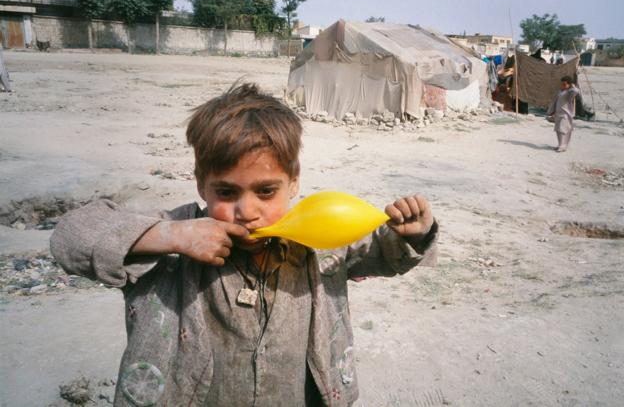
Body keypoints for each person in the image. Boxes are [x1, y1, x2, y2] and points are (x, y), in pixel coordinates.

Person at [50, 82, 438, 406]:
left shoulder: (319, 237)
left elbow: (384, 254)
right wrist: (172, 236)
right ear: (201, 183)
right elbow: (72, 236)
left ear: (294, 183)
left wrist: (412, 234)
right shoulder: (171, 244)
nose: (247, 211)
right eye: (226, 192)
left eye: (267, 191)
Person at [547, 75, 582, 152]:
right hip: (558, 113)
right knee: (558, 130)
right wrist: (552, 111)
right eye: (562, 84)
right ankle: (560, 144)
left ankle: (563, 146)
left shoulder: (569, 93)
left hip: (565, 114)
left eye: (565, 84)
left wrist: (572, 86)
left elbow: (576, 91)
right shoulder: (560, 91)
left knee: (563, 129)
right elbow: (555, 102)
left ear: (569, 84)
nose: (563, 85)